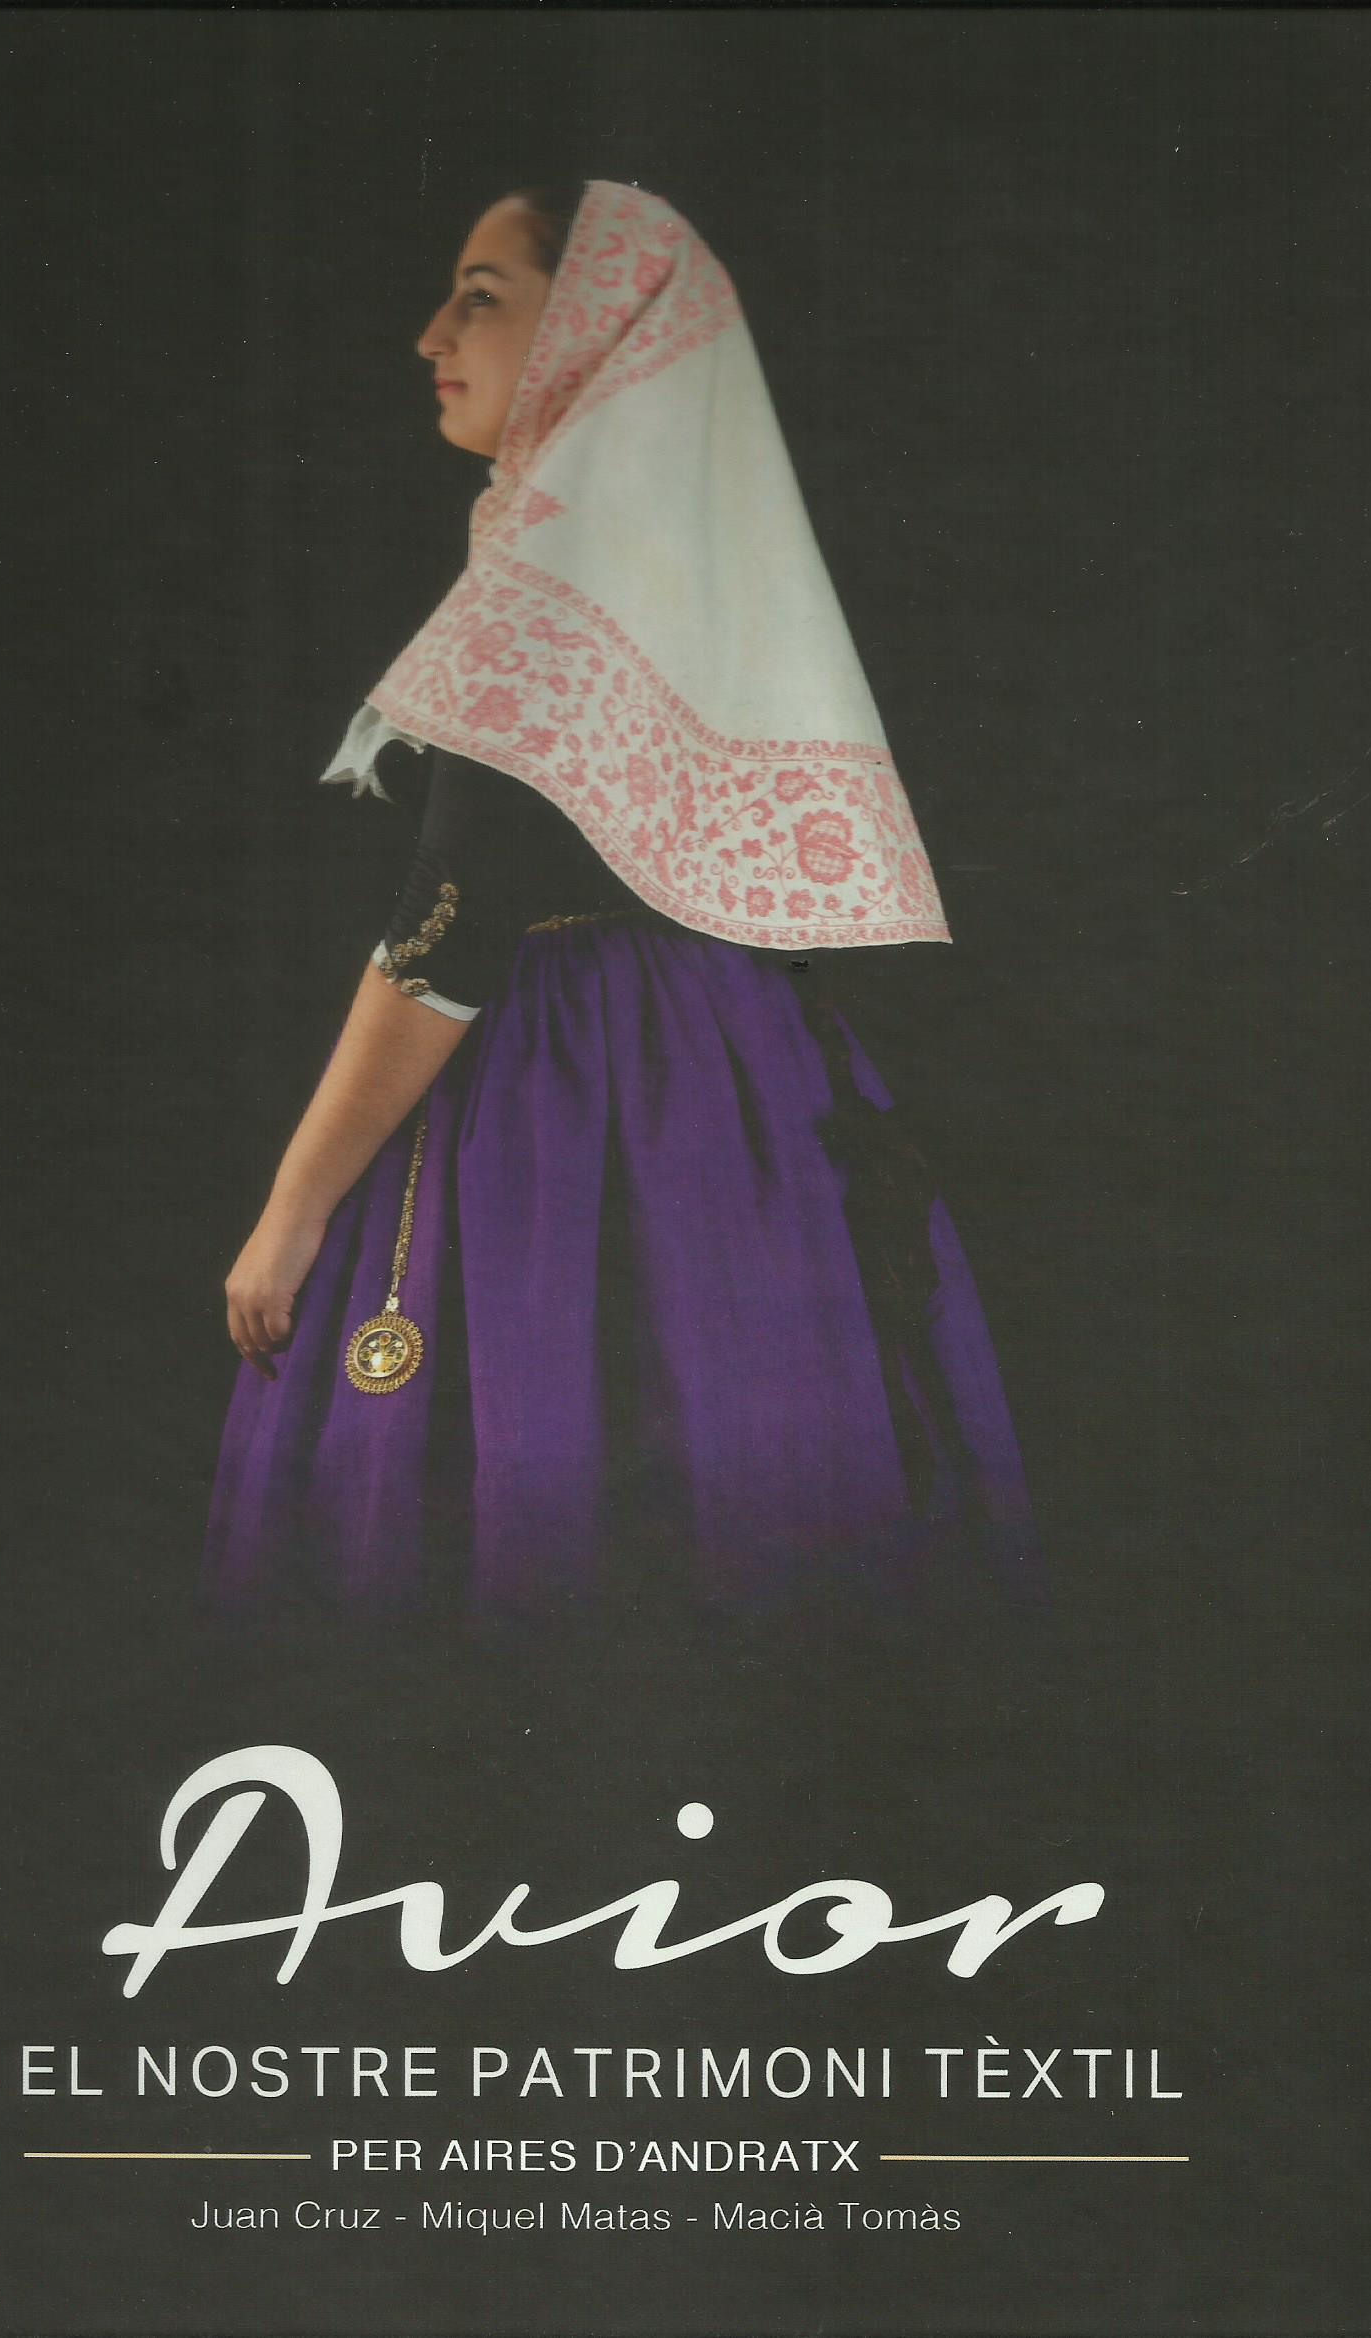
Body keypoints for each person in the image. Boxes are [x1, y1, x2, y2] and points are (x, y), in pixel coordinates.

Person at [203, 177, 1040, 1619]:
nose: (431, 335)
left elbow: (450, 928)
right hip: (739, 1082)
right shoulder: (694, 556)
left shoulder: (556, 571)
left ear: (596, 328)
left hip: (569, 1091)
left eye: (482, 298)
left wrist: (291, 1207)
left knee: (525, 1510)